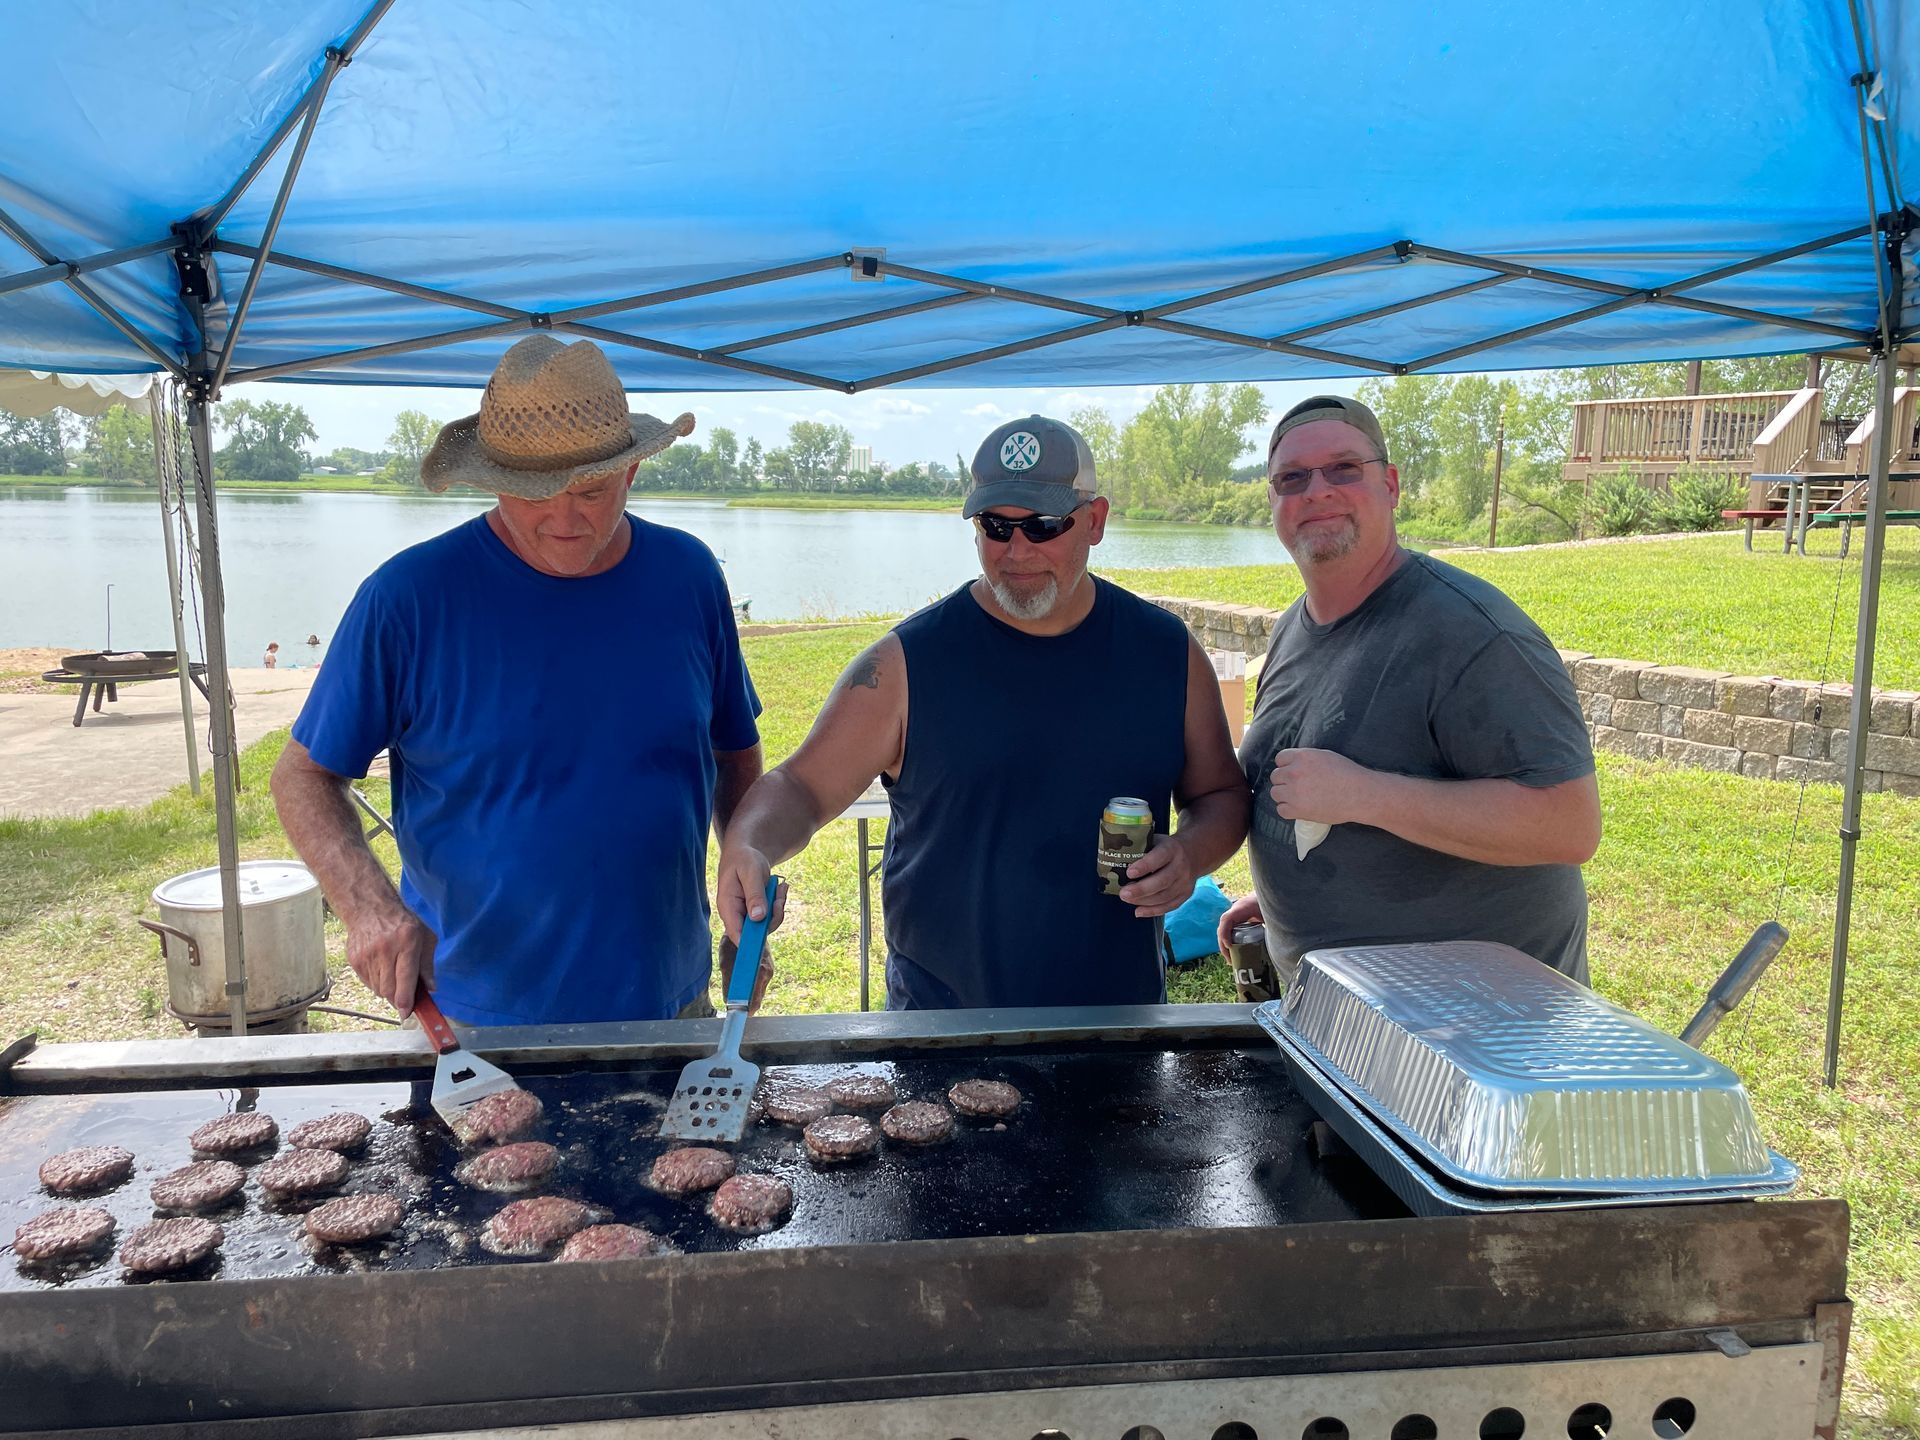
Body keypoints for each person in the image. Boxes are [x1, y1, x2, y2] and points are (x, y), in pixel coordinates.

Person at [272, 335, 765, 1026]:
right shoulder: (409, 599)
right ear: (493, 478)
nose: (564, 520)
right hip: (472, 1015)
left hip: (669, 1003)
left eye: (590, 492)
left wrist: (747, 863)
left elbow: (732, 750)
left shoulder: (687, 577)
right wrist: (367, 907)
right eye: (534, 495)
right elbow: (302, 776)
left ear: (630, 474)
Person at [716, 415, 1249, 1009]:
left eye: (1044, 527)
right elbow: (800, 787)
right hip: (942, 1029)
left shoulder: (1168, 654)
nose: (1016, 551)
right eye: (996, 526)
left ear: (1094, 521)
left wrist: (1190, 854)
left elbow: (1221, 796)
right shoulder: (903, 665)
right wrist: (749, 843)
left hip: (1116, 1023)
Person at [1217, 395, 1600, 986]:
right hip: (1342, 1018)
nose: (1316, 491)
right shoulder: (1296, 625)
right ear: (1272, 500)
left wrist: (1365, 795)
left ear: (1391, 485)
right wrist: (1280, 900)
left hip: (1466, 1031)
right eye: (1292, 478)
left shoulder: (1470, 632)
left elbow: (1569, 825)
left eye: (1344, 468)